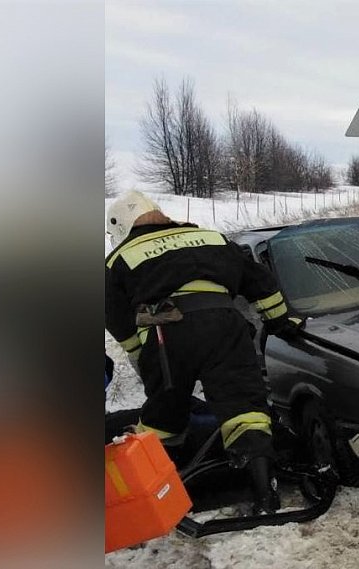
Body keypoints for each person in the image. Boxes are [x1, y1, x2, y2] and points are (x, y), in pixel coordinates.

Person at [104, 190, 300, 515]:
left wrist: (142, 356)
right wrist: (280, 322)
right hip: (225, 324)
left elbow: (115, 316)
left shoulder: (119, 259)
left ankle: (164, 490)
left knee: (165, 414)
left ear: (121, 228)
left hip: (166, 332)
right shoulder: (212, 237)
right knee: (244, 407)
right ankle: (266, 494)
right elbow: (259, 282)